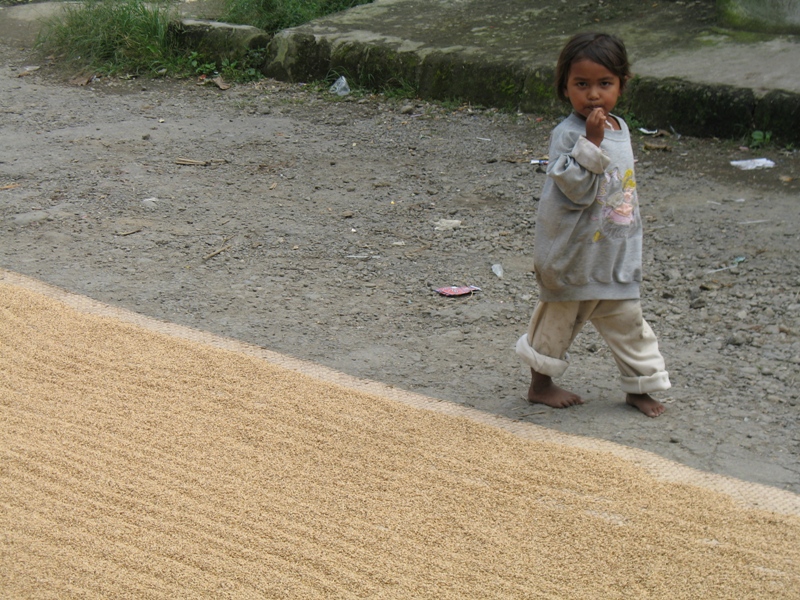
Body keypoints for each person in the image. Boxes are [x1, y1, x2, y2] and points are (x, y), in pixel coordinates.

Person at [515, 32, 671, 417]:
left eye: (604, 84)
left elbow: (622, 189)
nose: (593, 95)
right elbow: (577, 190)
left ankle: (640, 388)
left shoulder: (621, 127)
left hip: (614, 251)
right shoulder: (568, 134)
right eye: (581, 85)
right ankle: (541, 383)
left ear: (622, 84)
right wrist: (591, 142)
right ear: (564, 86)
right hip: (573, 254)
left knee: (630, 325)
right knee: (557, 321)